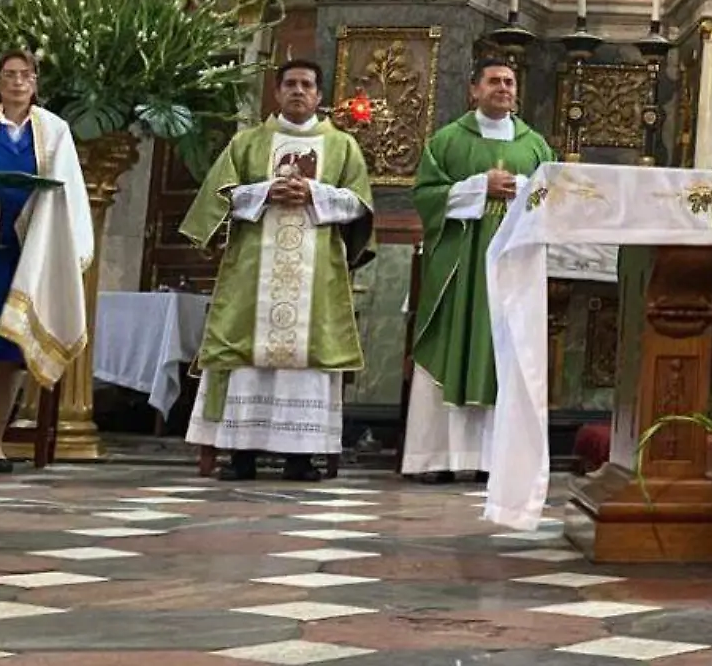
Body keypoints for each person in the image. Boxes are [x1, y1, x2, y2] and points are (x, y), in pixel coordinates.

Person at [182, 59, 374, 482]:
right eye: (290, 84)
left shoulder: (342, 146)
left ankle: (301, 458)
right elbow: (220, 196)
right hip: (254, 272)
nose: (298, 91)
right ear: (276, 92)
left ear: (320, 95)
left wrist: (314, 193)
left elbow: (360, 203)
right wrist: (267, 190)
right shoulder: (248, 143)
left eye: (307, 85)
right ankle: (241, 455)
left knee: (306, 363)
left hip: (316, 271)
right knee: (247, 357)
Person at [403, 58, 554, 484]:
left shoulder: (536, 146)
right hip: (459, 266)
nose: (503, 88)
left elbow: (553, 198)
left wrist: (521, 190)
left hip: (512, 267)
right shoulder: (448, 141)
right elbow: (425, 196)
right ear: (473, 90)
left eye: (509, 81)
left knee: (503, 352)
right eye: (494, 81)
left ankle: (496, 460)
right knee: (453, 343)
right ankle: (433, 457)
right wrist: (478, 187)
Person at [0, 51, 92, 473]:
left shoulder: (54, 131)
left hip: (26, 257)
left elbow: (67, 190)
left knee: (11, 352)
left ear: (35, 82)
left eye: (25, 75)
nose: (17, 82)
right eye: (8, 75)